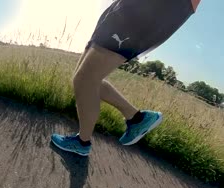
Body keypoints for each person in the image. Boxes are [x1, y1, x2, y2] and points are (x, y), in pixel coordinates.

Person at [51, 0, 201, 156]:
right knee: (84, 79)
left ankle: (82, 142)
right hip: (125, 8)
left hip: (148, 10)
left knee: (86, 79)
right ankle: (137, 118)